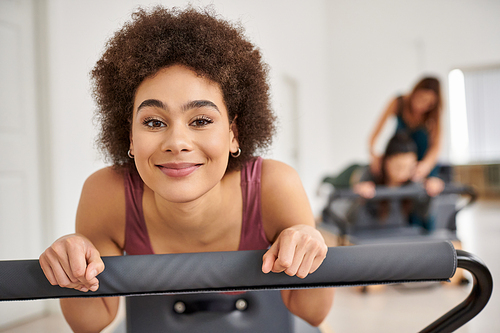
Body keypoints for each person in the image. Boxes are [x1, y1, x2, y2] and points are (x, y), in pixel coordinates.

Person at [38, 6, 334, 332]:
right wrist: (72, 267)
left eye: (201, 120)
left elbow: (313, 314)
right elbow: (91, 322)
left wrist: (310, 246)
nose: (177, 142)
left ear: (234, 133)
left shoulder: (274, 186)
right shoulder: (106, 194)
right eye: (153, 122)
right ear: (130, 137)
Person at [354, 131, 444, 230]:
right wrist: (359, 197)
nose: (402, 173)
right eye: (398, 167)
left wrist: (430, 192)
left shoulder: (413, 182)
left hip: (399, 236)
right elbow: (350, 217)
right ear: (386, 162)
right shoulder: (369, 176)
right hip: (369, 235)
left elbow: (423, 213)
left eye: (408, 167)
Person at [369, 76, 443, 183]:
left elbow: (436, 146)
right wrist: (374, 155)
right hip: (399, 156)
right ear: (414, 92)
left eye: (429, 103)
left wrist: (426, 165)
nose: (423, 105)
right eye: (421, 98)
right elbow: (374, 135)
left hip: (420, 164)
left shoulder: (433, 116)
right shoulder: (398, 102)